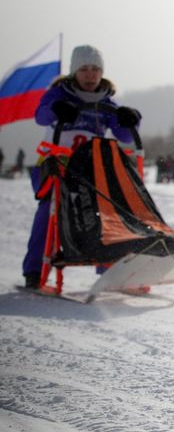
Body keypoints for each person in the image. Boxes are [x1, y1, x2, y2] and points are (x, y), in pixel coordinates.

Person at [21, 44, 142, 289]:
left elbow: (125, 136)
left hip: (89, 168)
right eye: (84, 69)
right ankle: (34, 269)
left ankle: (109, 267)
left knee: (108, 210)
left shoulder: (107, 101)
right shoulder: (59, 93)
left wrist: (132, 119)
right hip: (56, 163)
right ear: (74, 72)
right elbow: (41, 116)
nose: (90, 74)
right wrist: (56, 108)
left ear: (102, 72)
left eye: (95, 69)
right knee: (49, 210)